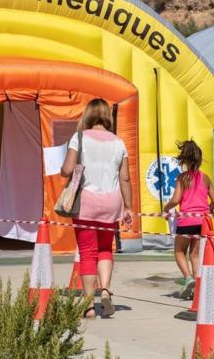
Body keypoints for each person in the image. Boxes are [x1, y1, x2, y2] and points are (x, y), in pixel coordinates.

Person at [61, 98, 133, 319]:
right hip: (111, 203)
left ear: (88, 115)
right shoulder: (119, 142)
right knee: (105, 249)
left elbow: (67, 170)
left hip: (86, 203)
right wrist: (128, 207)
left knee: (87, 253)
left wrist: (67, 169)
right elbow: (125, 179)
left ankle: (89, 306)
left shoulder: (79, 137)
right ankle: (105, 289)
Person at [163, 140, 214, 299]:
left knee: (179, 251)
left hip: (186, 221)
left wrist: (166, 209)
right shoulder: (206, 178)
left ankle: (188, 279)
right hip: (201, 222)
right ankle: (198, 288)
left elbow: (175, 200)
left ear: (185, 160)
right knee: (195, 255)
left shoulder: (182, 178)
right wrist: (207, 210)